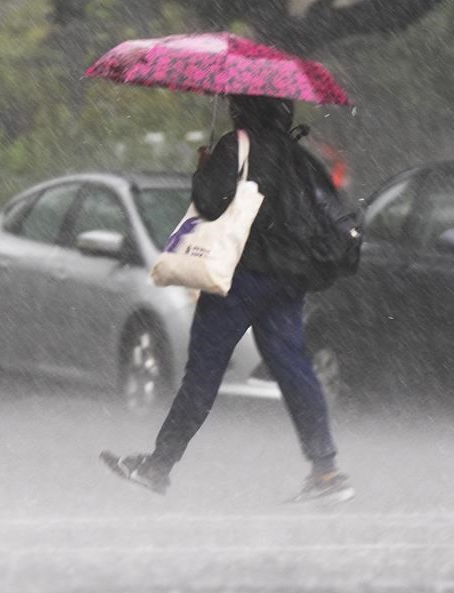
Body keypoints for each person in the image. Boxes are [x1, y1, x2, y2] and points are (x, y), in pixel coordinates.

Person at [101, 94, 354, 504]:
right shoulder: (298, 157)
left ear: (242, 109)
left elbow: (209, 204)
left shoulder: (236, 147)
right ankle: (326, 471)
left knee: (203, 373)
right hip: (287, 280)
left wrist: (205, 171)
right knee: (295, 369)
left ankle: (158, 466)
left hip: (240, 277)